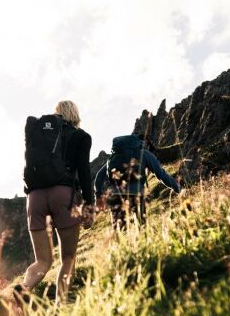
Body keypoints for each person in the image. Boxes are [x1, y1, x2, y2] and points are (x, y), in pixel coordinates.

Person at [20, 100, 95, 301]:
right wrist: (89, 205)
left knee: (42, 261)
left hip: (34, 198)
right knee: (68, 257)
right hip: (63, 195)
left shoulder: (41, 134)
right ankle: (62, 302)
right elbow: (85, 174)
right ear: (75, 115)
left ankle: (23, 288)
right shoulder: (81, 136)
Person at [93, 134, 181, 227]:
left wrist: (98, 196)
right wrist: (178, 188)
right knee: (141, 226)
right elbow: (161, 175)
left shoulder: (113, 158)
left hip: (115, 194)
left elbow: (99, 177)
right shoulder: (144, 153)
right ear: (141, 143)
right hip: (136, 193)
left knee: (119, 231)